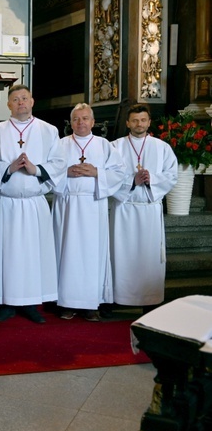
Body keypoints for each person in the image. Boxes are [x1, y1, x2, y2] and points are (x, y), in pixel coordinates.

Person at [0, 84, 66, 324]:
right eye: (15, 99)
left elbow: (59, 163)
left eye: (24, 98)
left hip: (33, 204)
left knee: (32, 254)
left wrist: (35, 169)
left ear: (32, 102)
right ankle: (6, 301)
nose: (20, 103)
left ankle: (30, 302)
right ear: (8, 105)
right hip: (5, 204)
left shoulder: (48, 131)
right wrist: (8, 168)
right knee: (6, 254)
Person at [51, 103, 125, 321]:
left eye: (85, 118)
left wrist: (97, 172)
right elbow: (48, 172)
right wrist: (65, 174)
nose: (81, 122)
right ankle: (66, 302)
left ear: (93, 122)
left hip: (93, 206)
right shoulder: (59, 145)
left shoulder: (104, 146)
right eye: (76, 119)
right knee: (66, 254)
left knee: (93, 255)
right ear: (70, 123)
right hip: (67, 205)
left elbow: (119, 173)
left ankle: (91, 303)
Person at [110, 103, 178, 311]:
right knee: (121, 255)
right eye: (135, 120)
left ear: (149, 122)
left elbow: (172, 175)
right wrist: (132, 182)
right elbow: (107, 176)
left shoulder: (162, 147)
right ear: (128, 122)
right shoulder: (115, 147)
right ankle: (119, 299)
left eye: (143, 120)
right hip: (124, 209)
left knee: (148, 256)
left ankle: (150, 301)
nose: (139, 124)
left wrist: (152, 179)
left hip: (149, 208)